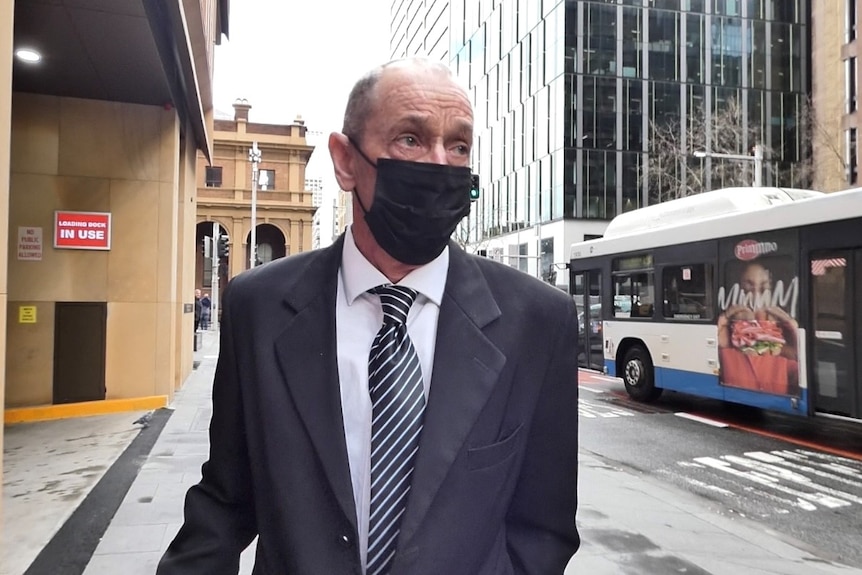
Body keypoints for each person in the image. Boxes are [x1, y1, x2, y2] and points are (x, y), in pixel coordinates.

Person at [158, 57, 580, 575]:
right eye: (410, 138)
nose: (441, 164)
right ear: (345, 161)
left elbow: (544, 529)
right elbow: (224, 502)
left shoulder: (538, 321)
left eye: (460, 146)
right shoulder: (258, 308)